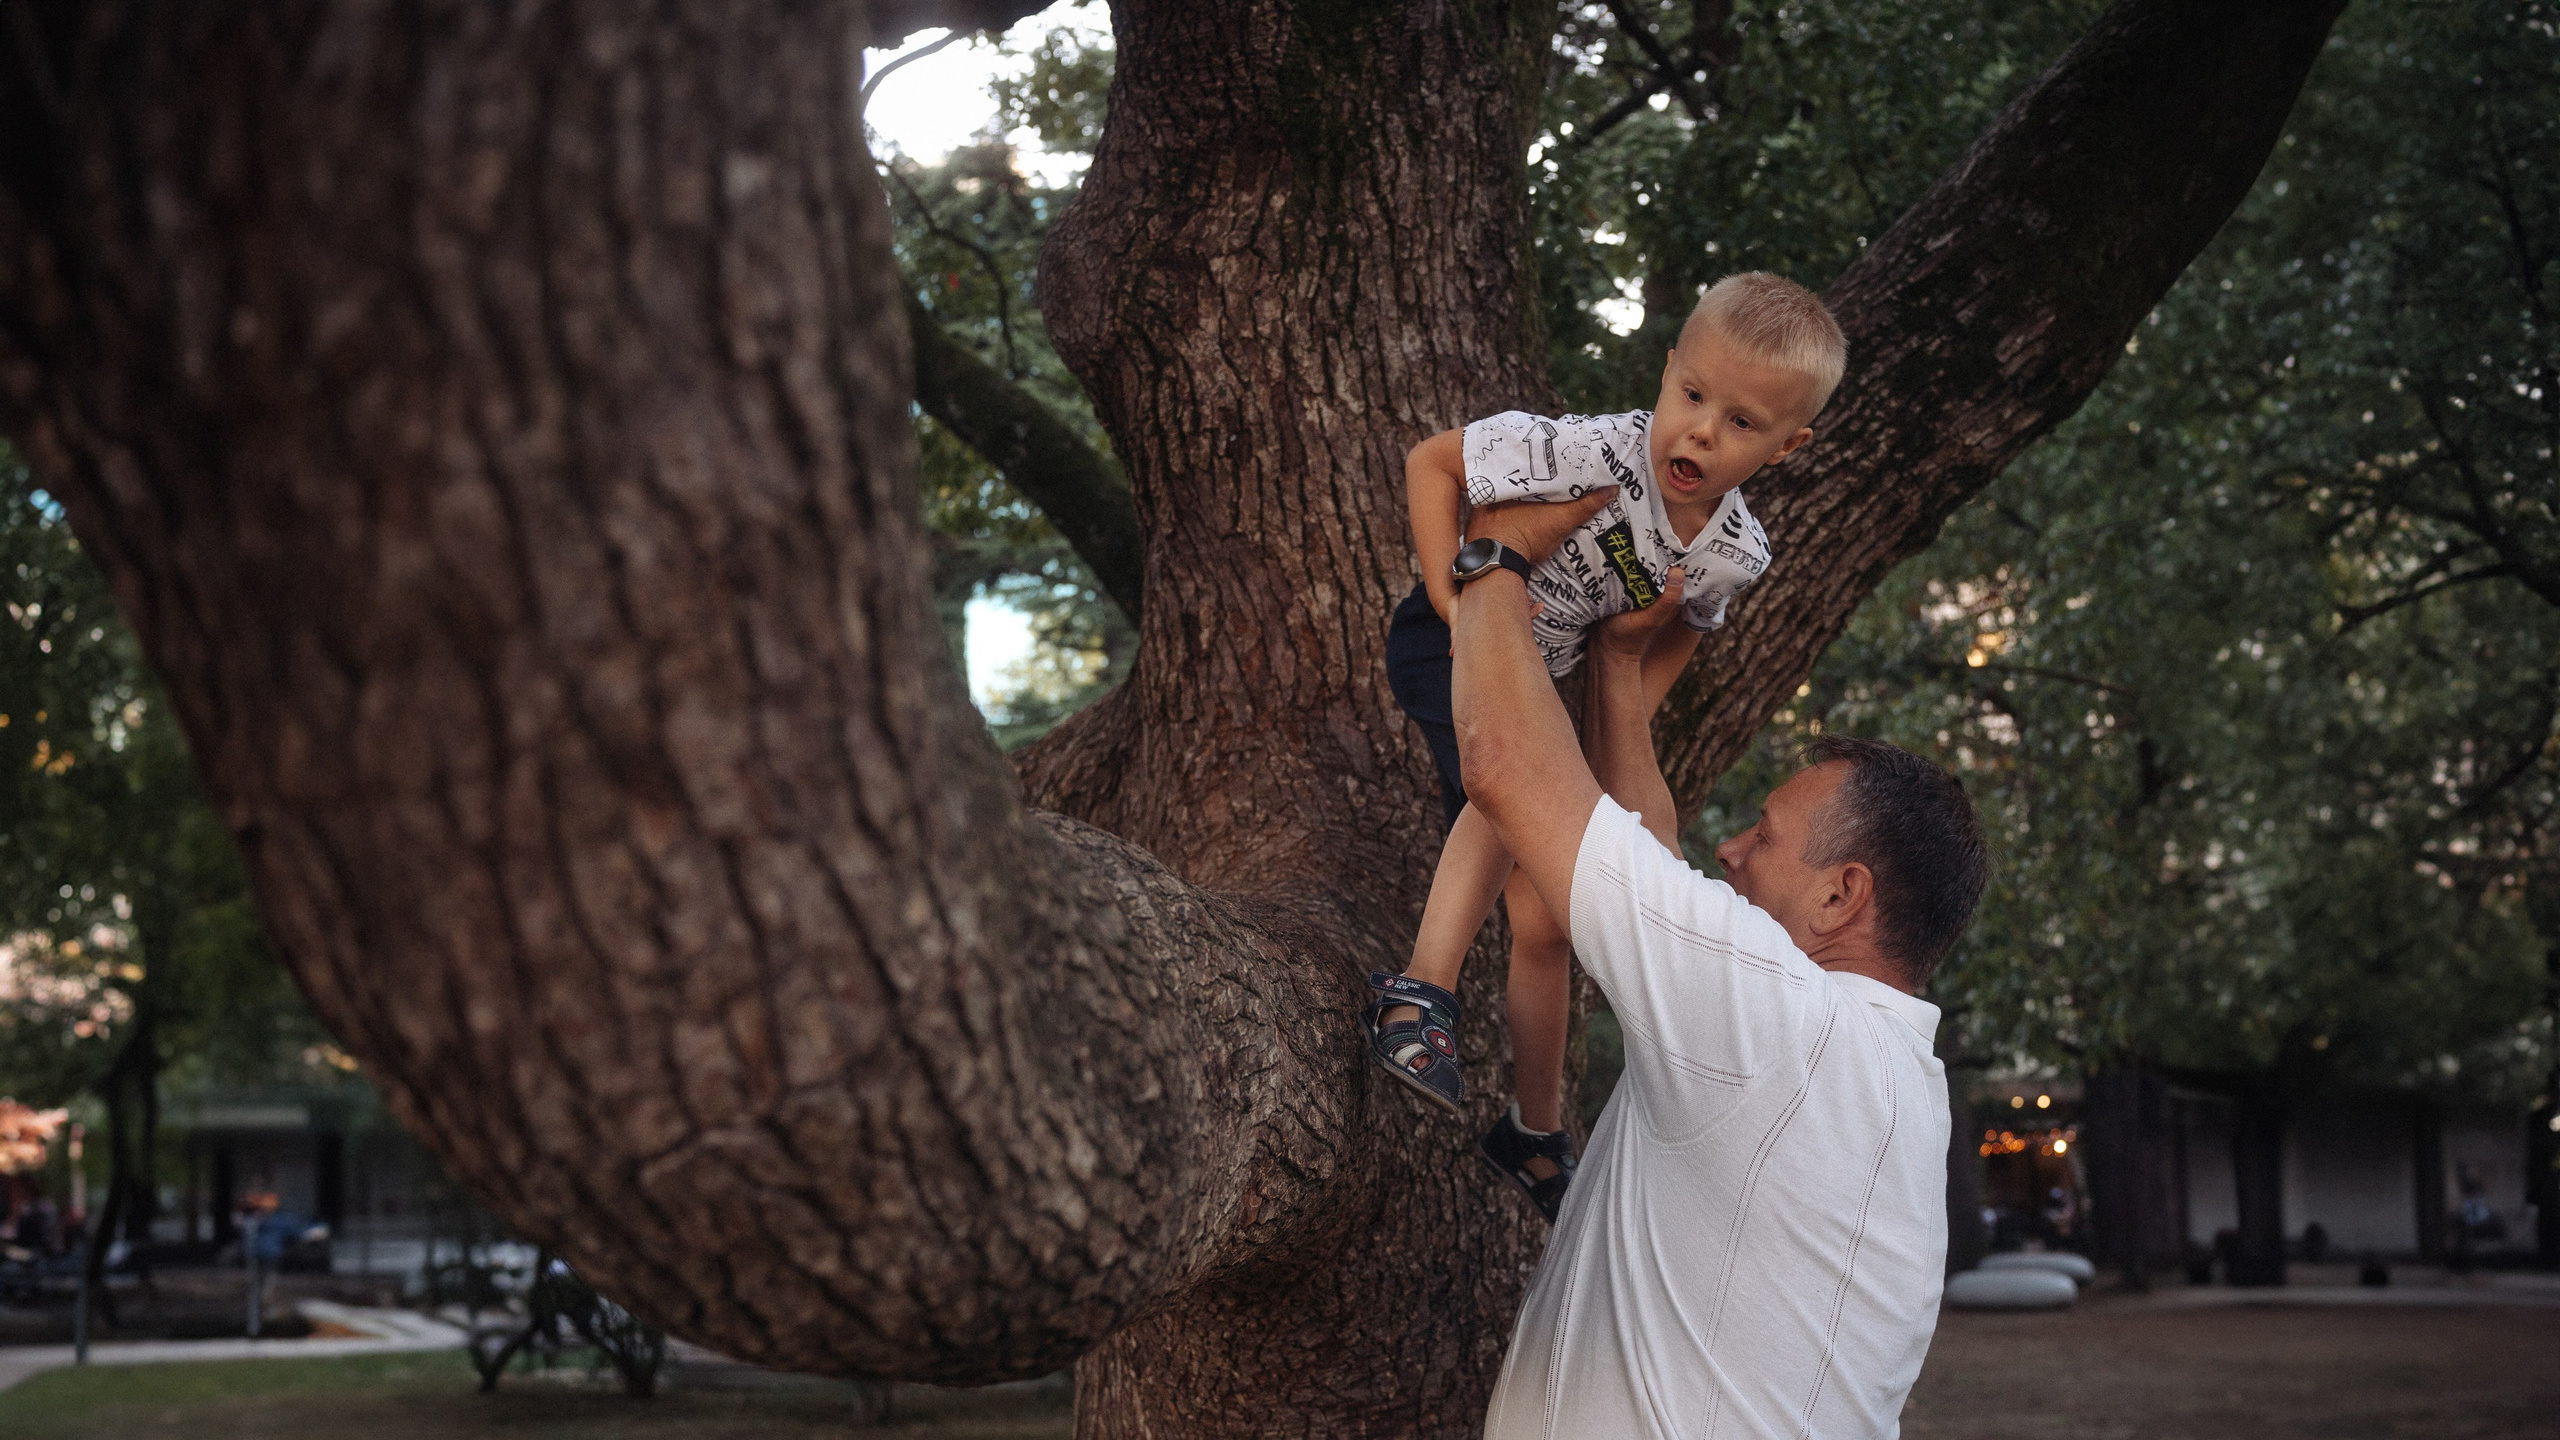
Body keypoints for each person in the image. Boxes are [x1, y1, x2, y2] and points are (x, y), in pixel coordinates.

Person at [1444, 511, 1989, 1437]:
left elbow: (1503, 760)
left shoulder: (1779, 1027)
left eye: (1766, 837)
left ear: (1839, 898)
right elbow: (1652, 859)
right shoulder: (1883, 1069)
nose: (1730, 849)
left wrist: (1498, 552)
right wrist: (1618, 668)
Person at [1371, 271, 1847, 1222]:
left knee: (1549, 924)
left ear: (1789, 446)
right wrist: (1455, 607)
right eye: (1693, 396)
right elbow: (1434, 464)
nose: (1702, 431)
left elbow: (1683, 627)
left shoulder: (1735, 551)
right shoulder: (1594, 452)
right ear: (1667, 373)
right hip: (1457, 645)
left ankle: (1534, 1133)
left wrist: (1609, 714)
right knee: (1502, 797)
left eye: (1742, 423)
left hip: (1549, 688)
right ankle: (1418, 992)